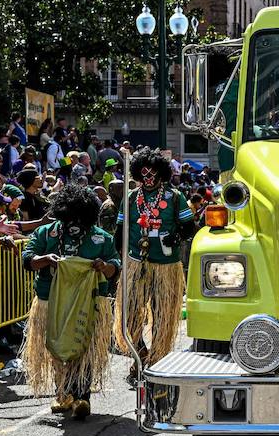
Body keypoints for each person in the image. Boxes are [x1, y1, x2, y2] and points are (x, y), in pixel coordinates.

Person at [20, 183, 120, 420]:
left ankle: (82, 396)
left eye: (79, 218)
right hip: (50, 302)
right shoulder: (46, 233)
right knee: (55, 347)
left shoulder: (101, 237)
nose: (74, 223)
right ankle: (63, 393)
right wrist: (45, 259)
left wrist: (103, 266)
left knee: (85, 348)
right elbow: (28, 259)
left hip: (91, 304)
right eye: (70, 217)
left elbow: (115, 266)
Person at [114, 147, 194, 368]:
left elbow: (189, 229)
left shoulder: (175, 197)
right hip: (136, 264)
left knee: (162, 314)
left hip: (166, 266)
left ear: (161, 174)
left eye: (153, 175)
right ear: (138, 174)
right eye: (144, 175)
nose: (149, 179)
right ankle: (139, 352)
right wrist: (118, 262)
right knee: (130, 313)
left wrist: (176, 237)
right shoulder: (130, 198)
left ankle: (158, 358)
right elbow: (119, 232)